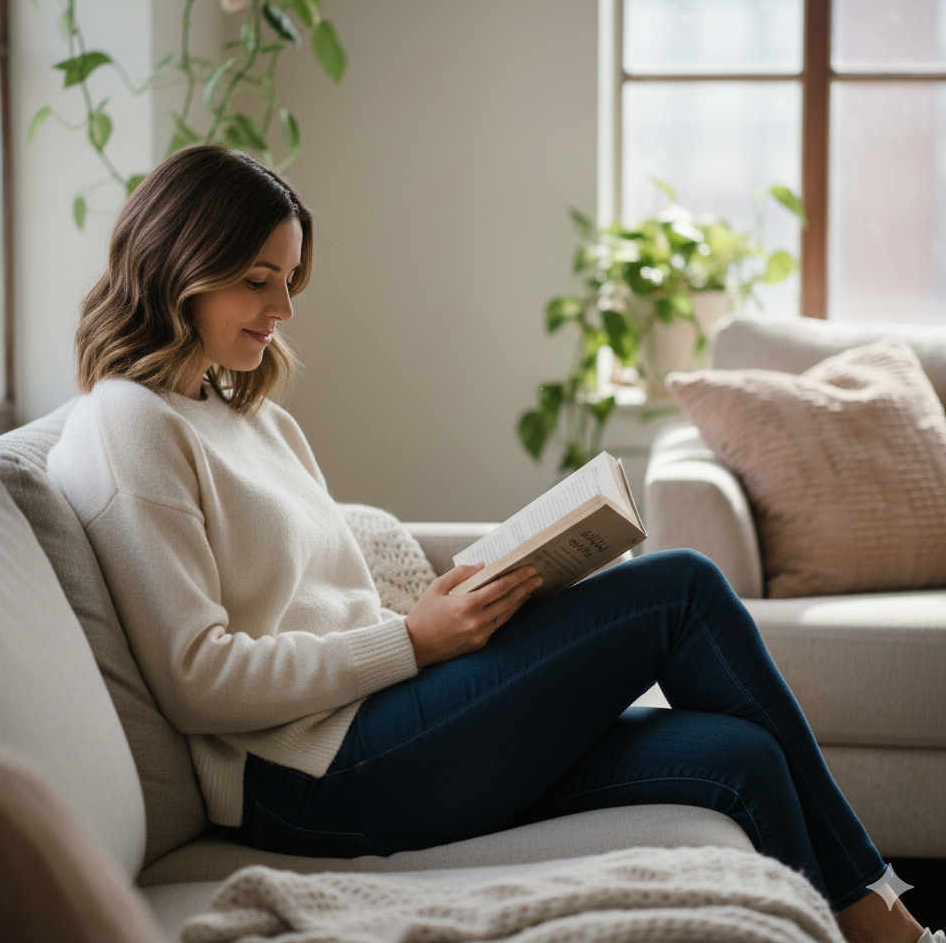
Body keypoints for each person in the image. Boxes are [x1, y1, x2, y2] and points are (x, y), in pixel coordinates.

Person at [48, 145, 935, 943]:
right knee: (682, 589)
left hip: (390, 719)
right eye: (257, 280)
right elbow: (198, 678)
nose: (282, 307)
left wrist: (480, 604)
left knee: (738, 758)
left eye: (289, 281)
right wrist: (415, 640)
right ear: (179, 269)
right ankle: (880, 914)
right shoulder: (129, 423)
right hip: (310, 778)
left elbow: (331, 598)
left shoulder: (252, 416)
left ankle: (848, 927)